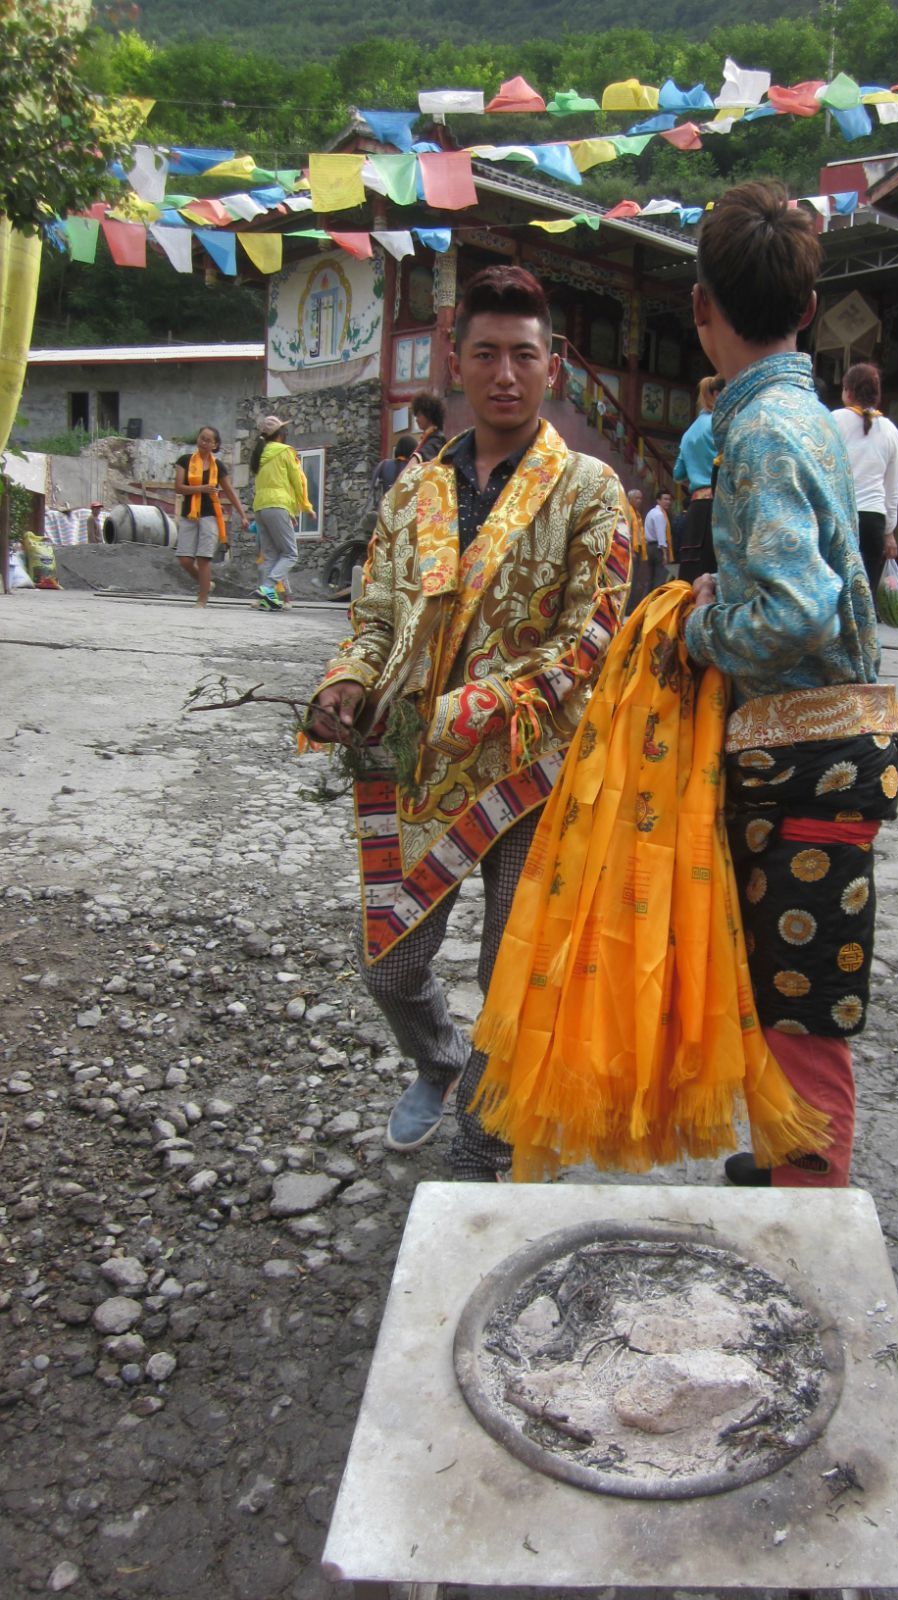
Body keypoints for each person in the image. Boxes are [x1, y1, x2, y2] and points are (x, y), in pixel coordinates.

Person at [306, 265, 631, 1180]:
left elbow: (585, 650)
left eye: (522, 356)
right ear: (455, 360)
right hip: (420, 769)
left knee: (512, 974)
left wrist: (458, 711)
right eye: (484, 353)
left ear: (553, 366)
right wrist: (347, 682)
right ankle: (438, 1058)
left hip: (537, 774)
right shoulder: (415, 491)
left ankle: (486, 1140)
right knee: (390, 968)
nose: (504, 375)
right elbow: (374, 615)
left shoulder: (592, 493)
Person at [684, 180, 898, 1190]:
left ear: (700, 307)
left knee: (804, 995)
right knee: (785, 979)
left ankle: (811, 1206)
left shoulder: (763, 433)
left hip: (805, 760)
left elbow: (792, 610)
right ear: (809, 311)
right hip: (822, 755)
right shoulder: (806, 415)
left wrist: (696, 628)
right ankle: (786, 1161)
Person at [831, 363, 898, 597]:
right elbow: (892, 488)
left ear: (847, 391)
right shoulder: (891, 430)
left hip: (838, 517)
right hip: (873, 520)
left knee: (834, 593)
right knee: (862, 597)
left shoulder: (833, 421)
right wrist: (889, 530)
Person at [174, 425, 248, 607]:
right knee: (184, 559)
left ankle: (202, 598)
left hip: (210, 516)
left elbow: (230, 492)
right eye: (202, 438)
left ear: (215, 445)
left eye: (209, 440)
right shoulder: (185, 461)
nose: (204, 443)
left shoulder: (218, 467)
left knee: (203, 558)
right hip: (189, 514)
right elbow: (178, 488)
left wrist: (243, 515)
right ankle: (207, 584)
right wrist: (201, 489)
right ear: (198, 439)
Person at [250, 415, 312, 611]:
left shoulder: (260, 454)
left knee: (270, 555)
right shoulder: (285, 452)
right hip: (278, 506)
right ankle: (267, 588)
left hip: (260, 507)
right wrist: (307, 506)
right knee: (290, 554)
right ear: (280, 435)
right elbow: (298, 481)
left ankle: (266, 601)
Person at [674, 375, 722, 585]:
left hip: (695, 509)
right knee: (714, 574)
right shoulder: (719, 425)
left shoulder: (689, 432)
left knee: (691, 574)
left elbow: (678, 474)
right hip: (718, 506)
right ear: (716, 394)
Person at [371, 432, 420, 505]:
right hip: (407, 511)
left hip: (386, 509)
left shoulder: (383, 465)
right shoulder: (415, 468)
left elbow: (373, 488)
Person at [642, 489, 674, 594]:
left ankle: (646, 602)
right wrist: (665, 554)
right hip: (657, 548)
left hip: (649, 547)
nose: (668, 502)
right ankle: (656, 602)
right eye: (665, 499)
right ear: (658, 500)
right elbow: (661, 535)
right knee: (659, 578)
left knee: (650, 578)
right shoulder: (660, 515)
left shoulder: (651, 512)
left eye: (669, 499)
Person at [410, 391, 447, 463]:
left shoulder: (437, 438)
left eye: (419, 415)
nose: (416, 419)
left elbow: (424, 455)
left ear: (429, 414)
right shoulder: (428, 436)